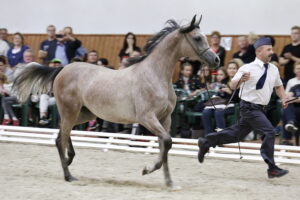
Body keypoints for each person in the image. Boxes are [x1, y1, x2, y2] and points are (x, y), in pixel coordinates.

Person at [198, 37, 291, 178]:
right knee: (269, 132)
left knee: (237, 134)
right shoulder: (247, 68)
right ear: (259, 51)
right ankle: (272, 168)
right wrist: (241, 80)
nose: (272, 52)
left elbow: (278, 86)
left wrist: (284, 97)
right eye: (269, 49)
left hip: (260, 109)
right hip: (249, 107)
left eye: (271, 49)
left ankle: (206, 141)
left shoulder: (273, 69)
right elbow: (233, 85)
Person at [201, 64, 239, 135]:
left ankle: (221, 136)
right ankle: (209, 136)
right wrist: (220, 93)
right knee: (206, 112)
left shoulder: (240, 81)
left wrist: (230, 92)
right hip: (221, 104)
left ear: (238, 70)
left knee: (218, 112)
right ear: (227, 70)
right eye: (230, 68)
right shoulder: (224, 81)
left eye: (234, 68)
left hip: (234, 105)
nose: (232, 70)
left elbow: (239, 98)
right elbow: (220, 96)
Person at [280, 62, 300, 145]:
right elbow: (287, 96)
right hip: (295, 109)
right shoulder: (295, 86)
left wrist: (291, 99)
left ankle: (286, 140)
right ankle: (290, 123)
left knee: (287, 111)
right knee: (286, 108)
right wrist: (287, 99)